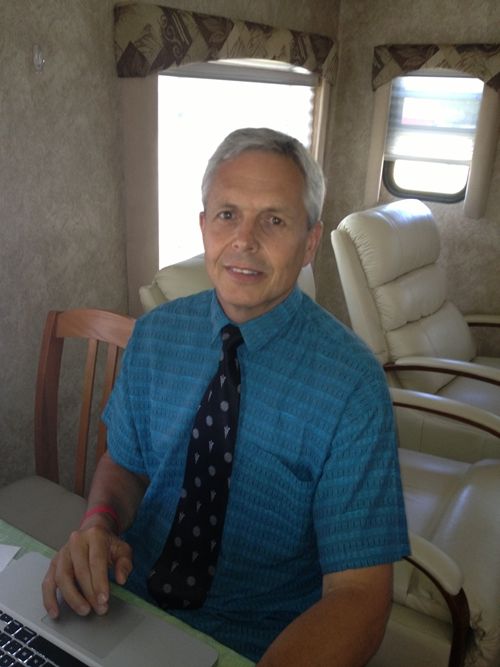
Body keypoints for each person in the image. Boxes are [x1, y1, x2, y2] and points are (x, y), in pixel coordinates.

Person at [42, 128, 409, 666]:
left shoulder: (353, 385)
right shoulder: (155, 334)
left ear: (310, 243)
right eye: (227, 215)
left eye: (274, 220)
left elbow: (359, 595)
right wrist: (98, 523)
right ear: (203, 227)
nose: (244, 240)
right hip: (125, 604)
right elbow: (125, 464)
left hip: (257, 642)